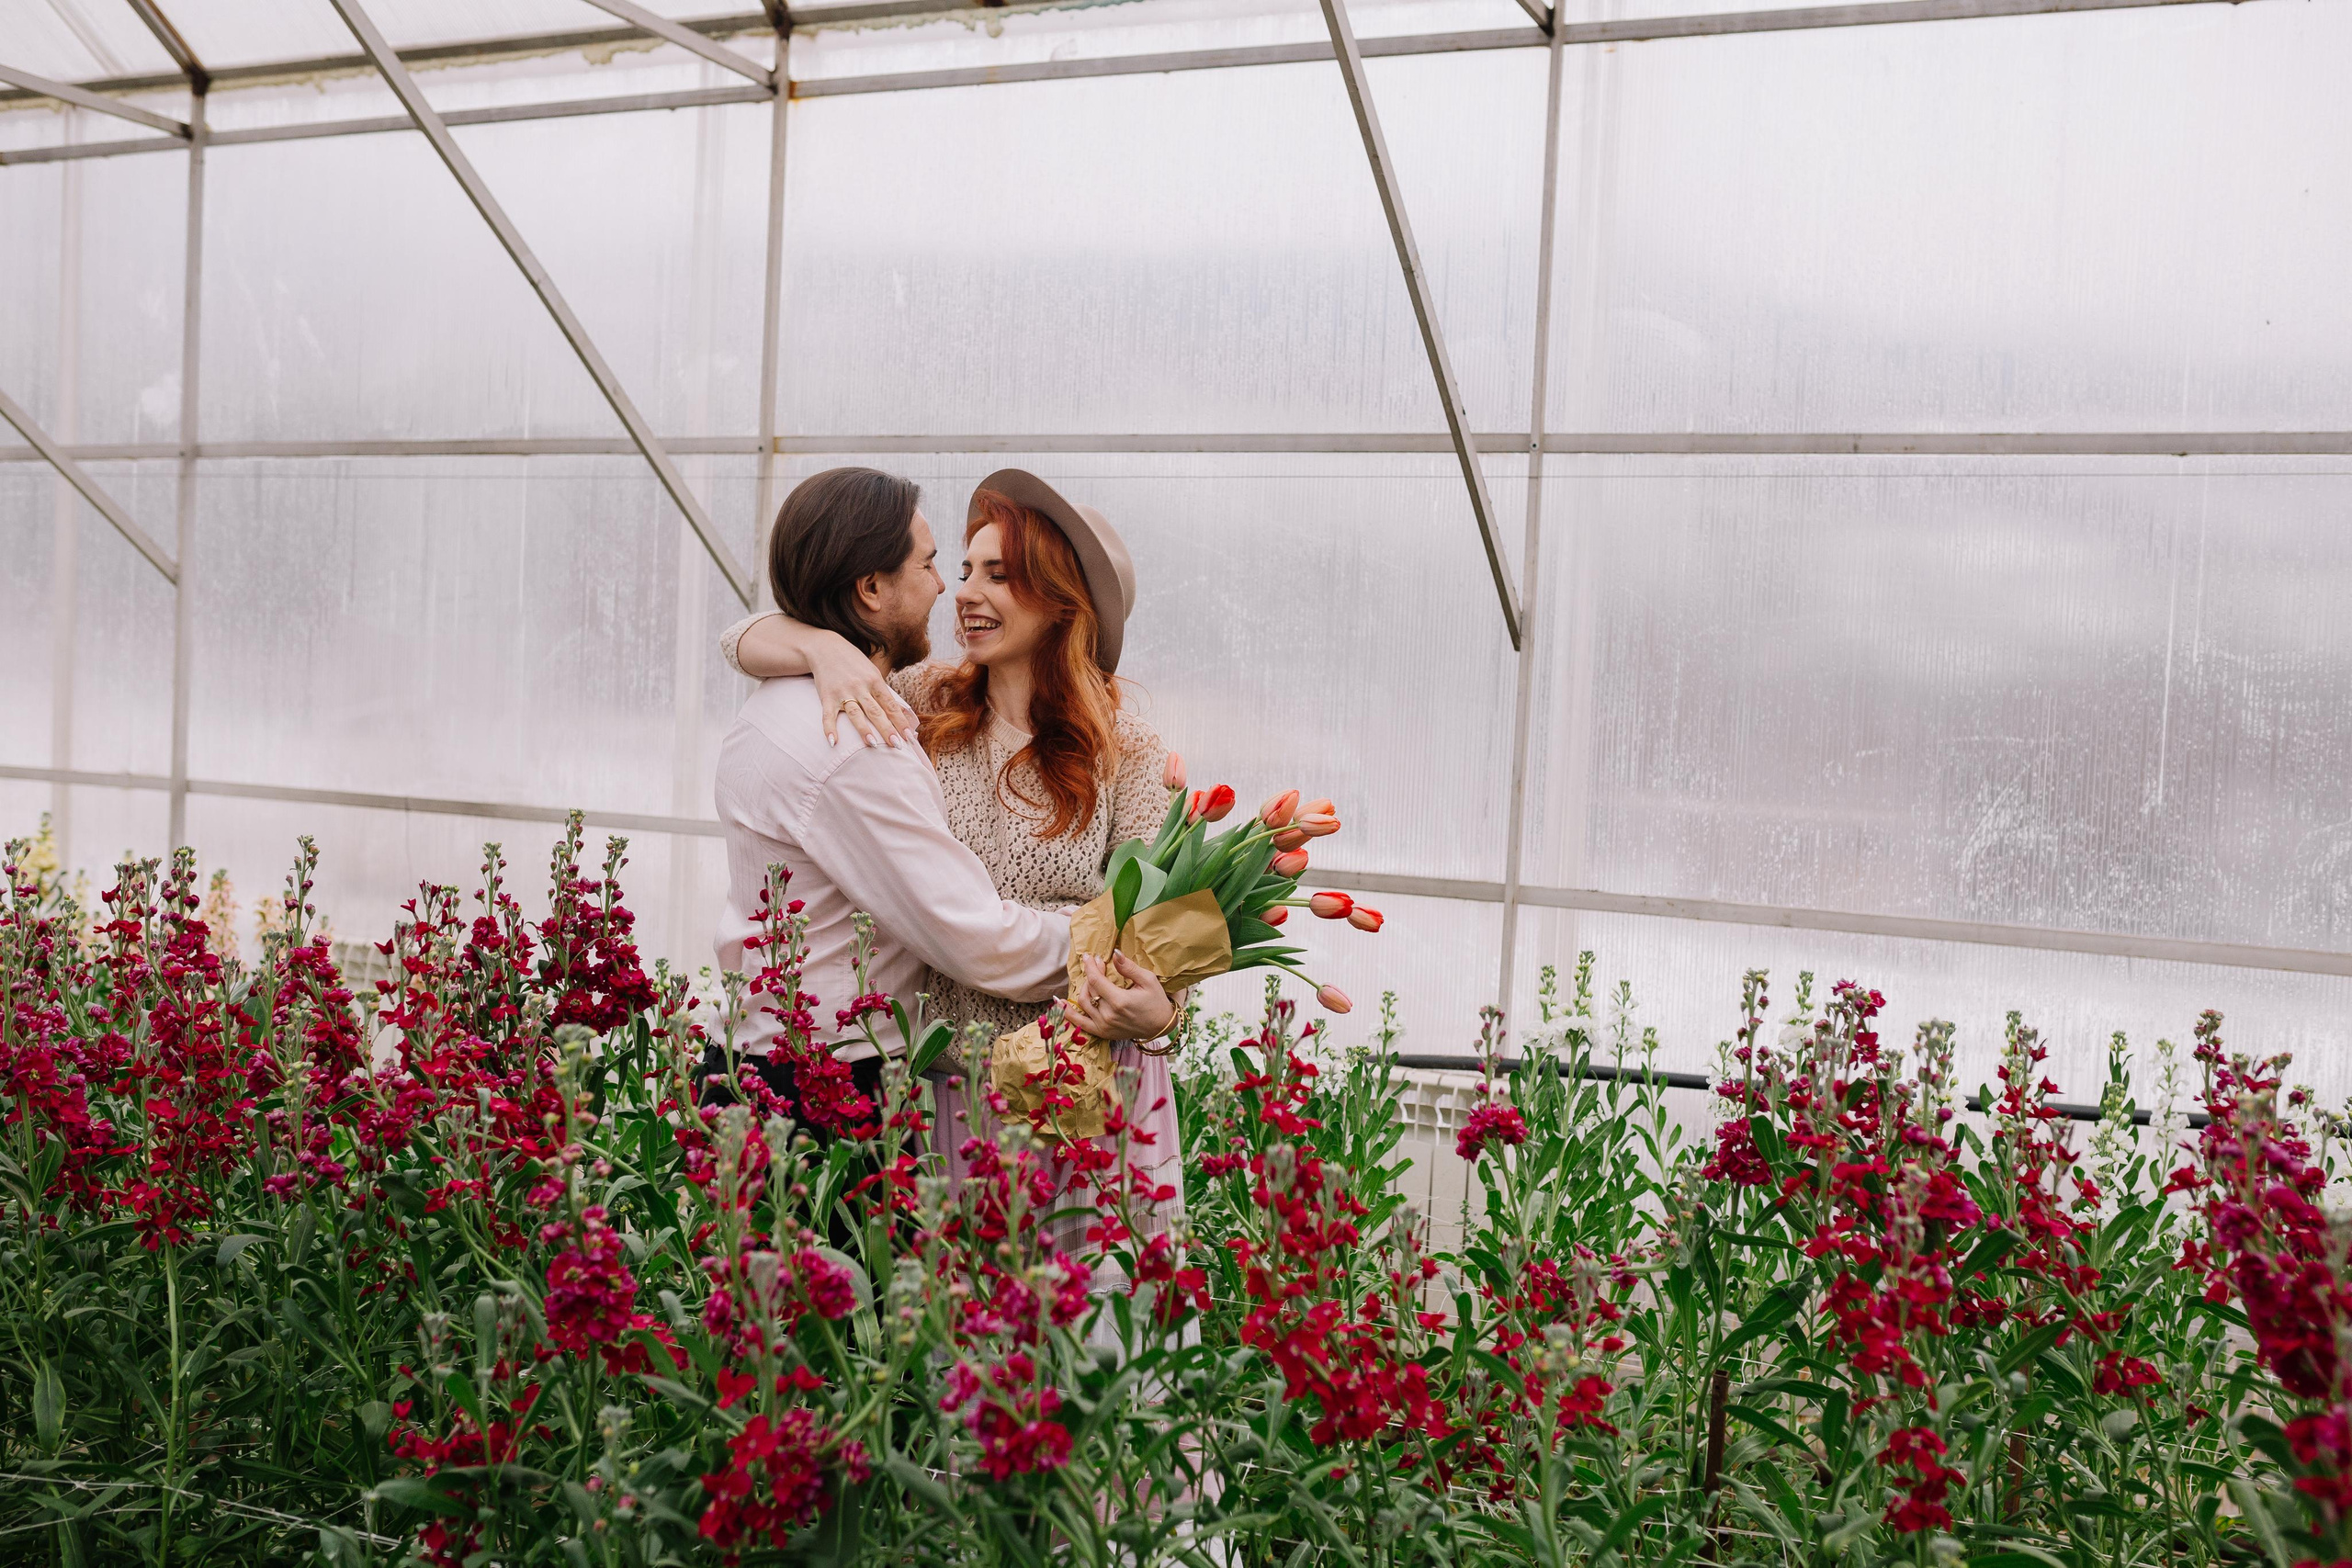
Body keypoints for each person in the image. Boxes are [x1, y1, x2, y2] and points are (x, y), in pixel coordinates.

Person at [718, 468, 1187, 1252]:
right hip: (951, 1094)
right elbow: (739, 639)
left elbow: (1164, 936)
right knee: (959, 1350)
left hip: (1083, 1088)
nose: (963, 590)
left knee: (1098, 1346)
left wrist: (1165, 1013)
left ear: (1062, 598)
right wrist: (821, 645)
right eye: (961, 568)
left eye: (999, 575)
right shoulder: (917, 700)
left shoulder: (1128, 750)